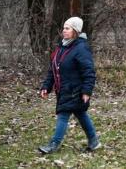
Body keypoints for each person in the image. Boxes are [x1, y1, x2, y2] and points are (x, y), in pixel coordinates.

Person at [38, 17, 99, 154]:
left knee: (63, 114)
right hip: (63, 90)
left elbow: (89, 72)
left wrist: (86, 91)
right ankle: (94, 140)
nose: (64, 31)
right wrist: (46, 87)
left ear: (75, 31)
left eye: (67, 28)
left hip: (74, 90)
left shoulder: (81, 48)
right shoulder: (62, 47)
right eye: (64, 28)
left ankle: (54, 144)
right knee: (80, 113)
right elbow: (53, 69)